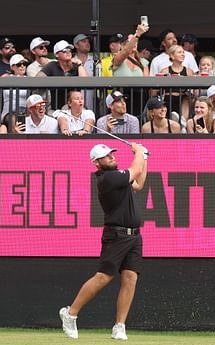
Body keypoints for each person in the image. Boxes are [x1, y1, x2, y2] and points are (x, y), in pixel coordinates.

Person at [59, 141, 148, 340]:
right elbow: (135, 169)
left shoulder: (119, 179)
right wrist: (139, 151)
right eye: (106, 156)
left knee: (130, 278)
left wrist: (145, 158)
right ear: (97, 163)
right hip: (116, 235)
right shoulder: (108, 178)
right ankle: (70, 314)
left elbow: (139, 183)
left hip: (134, 236)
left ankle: (119, 326)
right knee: (104, 277)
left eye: (111, 154)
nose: (111, 157)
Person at [36, 40, 88, 110]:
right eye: (64, 50)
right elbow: (38, 79)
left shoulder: (76, 66)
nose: (68, 52)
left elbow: (85, 81)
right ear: (57, 54)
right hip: (56, 109)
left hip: (75, 108)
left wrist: (79, 63)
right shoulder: (52, 65)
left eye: (69, 50)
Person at [159, 45, 194, 120]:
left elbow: (193, 90)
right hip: (168, 99)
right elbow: (157, 89)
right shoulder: (164, 71)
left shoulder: (189, 71)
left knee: (186, 99)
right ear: (172, 55)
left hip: (183, 99)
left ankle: (183, 122)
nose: (183, 54)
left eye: (183, 52)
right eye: (179, 52)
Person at [0, 54, 30, 120]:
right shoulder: (5, 78)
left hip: (24, 113)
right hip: (8, 113)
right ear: (12, 67)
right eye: (19, 64)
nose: (22, 66)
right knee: (13, 118)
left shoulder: (29, 80)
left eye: (24, 64)